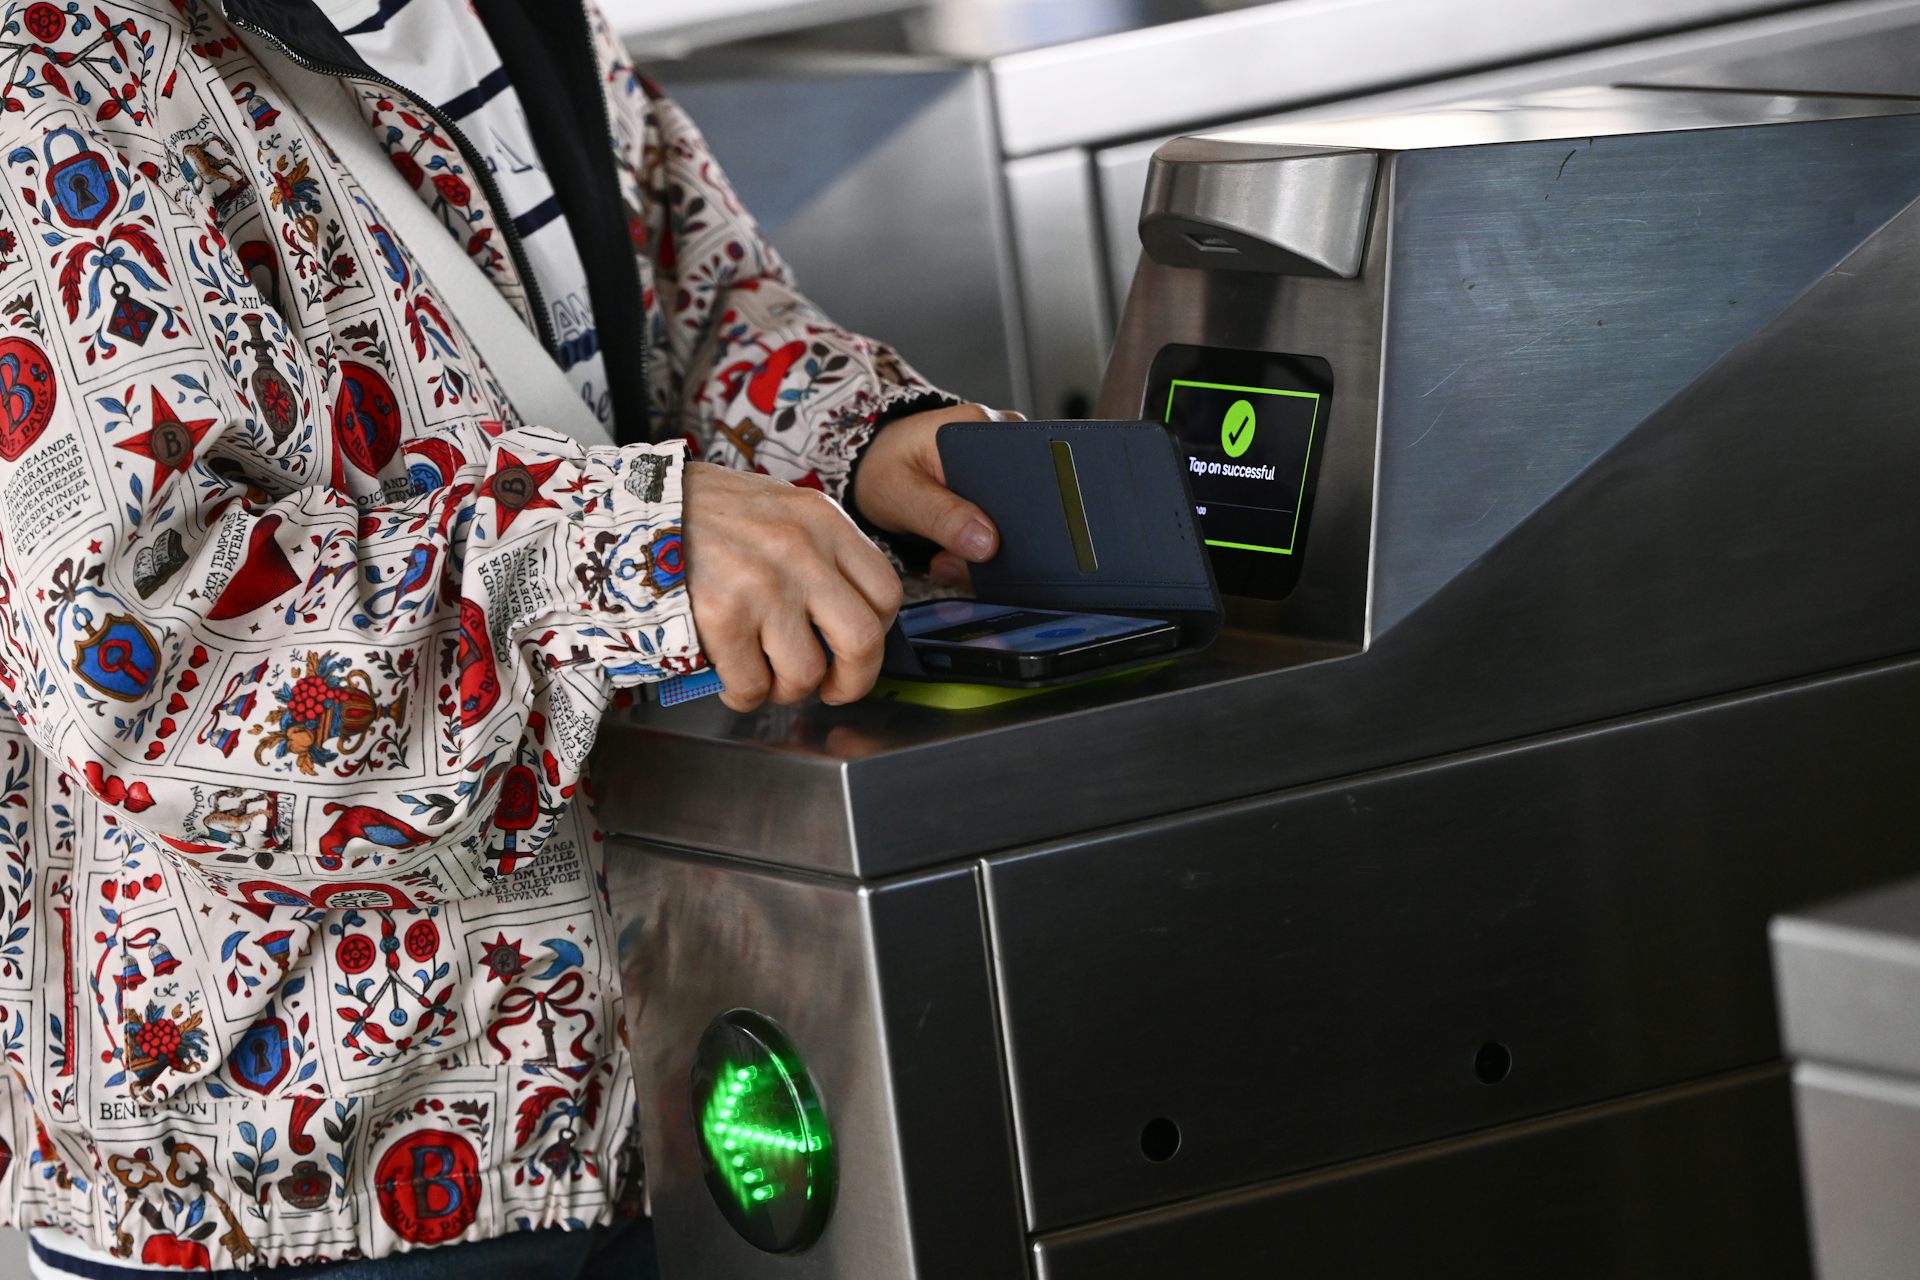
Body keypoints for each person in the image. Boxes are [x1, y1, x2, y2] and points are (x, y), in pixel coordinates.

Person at [0, 0, 1010, 1275]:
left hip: (665, 1057)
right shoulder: (47, 57)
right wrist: (631, 547)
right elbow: (159, 661)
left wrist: (857, 442)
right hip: (313, 1167)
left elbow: (687, 317)